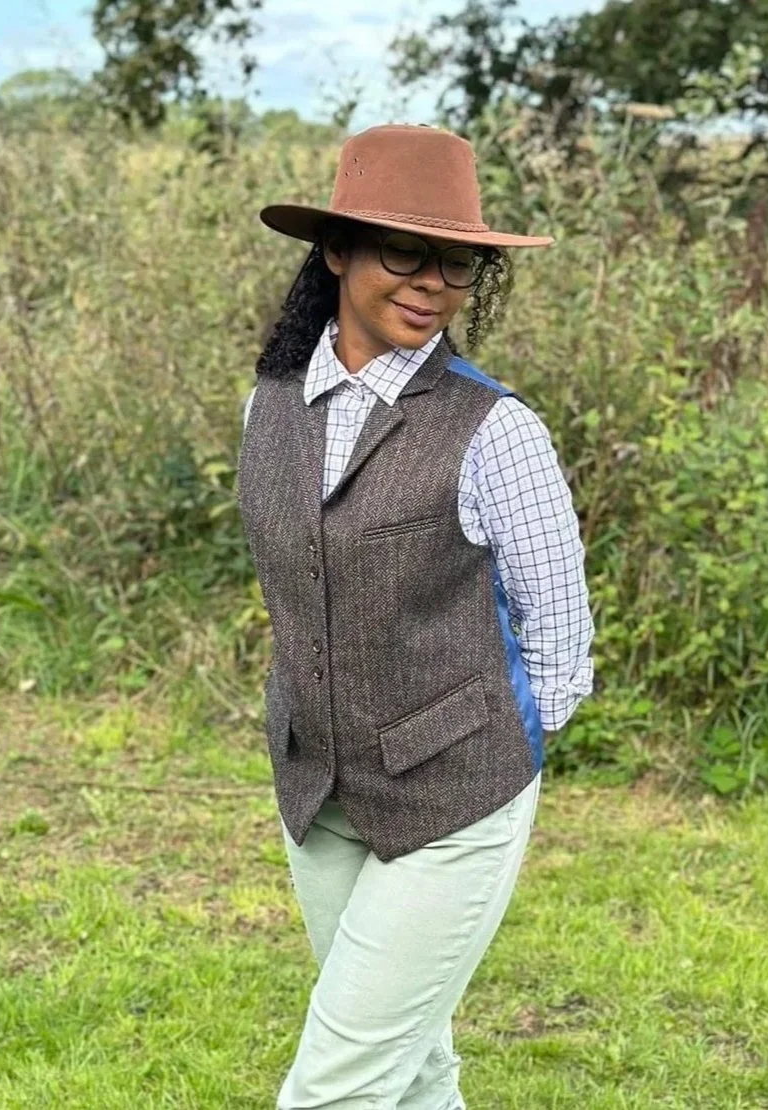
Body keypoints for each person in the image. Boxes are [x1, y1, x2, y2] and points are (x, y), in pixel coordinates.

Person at [237, 123, 594, 1110]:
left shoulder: (496, 430)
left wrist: (476, 756)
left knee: (335, 1087)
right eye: (405, 251)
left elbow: (561, 644)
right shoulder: (269, 406)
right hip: (317, 795)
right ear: (337, 249)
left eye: (457, 262)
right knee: (412, 1068)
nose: (431, 282)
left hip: (455, 803)